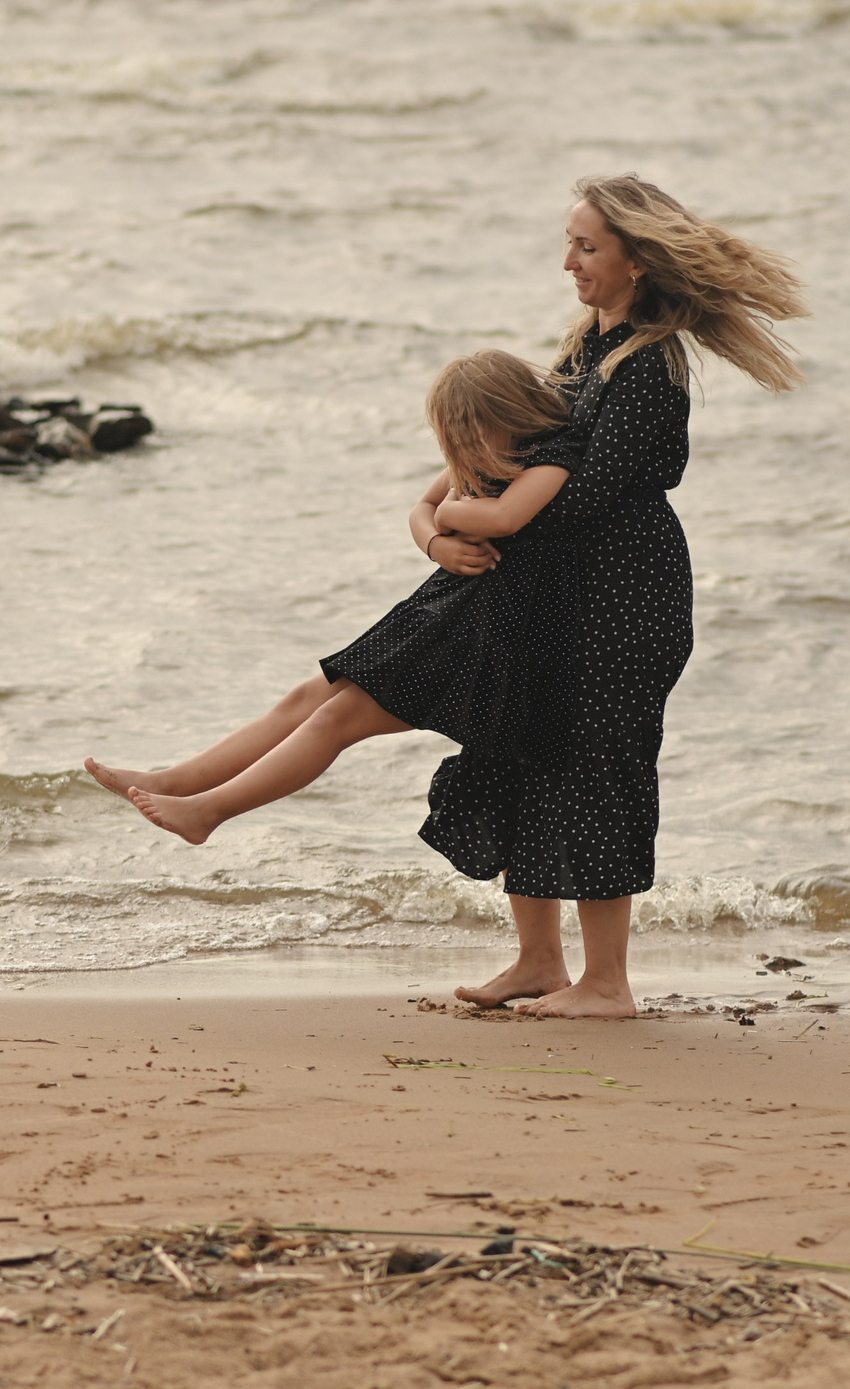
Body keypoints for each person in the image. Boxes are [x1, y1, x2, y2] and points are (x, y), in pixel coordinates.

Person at [96, 176, 806, 1018]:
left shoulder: (648, 372)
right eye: (569, 241)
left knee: (588, 775)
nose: (567, 261)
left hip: (615, 607)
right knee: (476, 746)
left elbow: (572, 499)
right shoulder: (585, 350)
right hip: (527, 593)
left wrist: (463, 513)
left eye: (586, 246)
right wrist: (434, 530)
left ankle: (605, 983)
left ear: (637, 262)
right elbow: (488, 461)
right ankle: (538, 961)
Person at [82, 346, 583, 845]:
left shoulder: (551, 453)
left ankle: (208, 812)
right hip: (442, 611)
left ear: (509, 412)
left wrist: (451, 516)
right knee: (306, 697)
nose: (465, 452)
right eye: (456, 441)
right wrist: (436, 544)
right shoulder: (486, 452)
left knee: (336, 717)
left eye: (472, 436)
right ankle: (173, 782)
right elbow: (422, 508)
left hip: (489, 635)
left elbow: (502, 517)